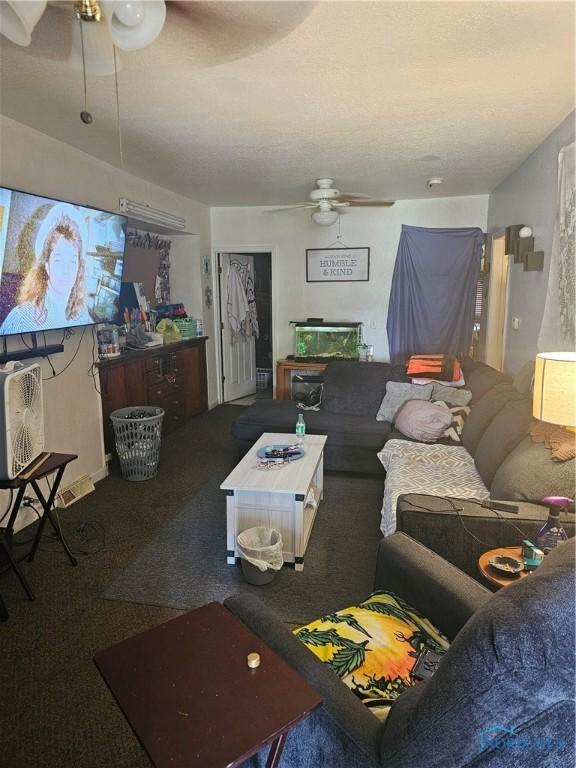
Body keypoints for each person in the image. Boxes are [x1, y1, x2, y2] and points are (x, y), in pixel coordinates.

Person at [0, 204, 92, 334]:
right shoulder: (21, 319)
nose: (66, 270)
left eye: (72, 261)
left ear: (79, 269)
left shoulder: (82, 314)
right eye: (58, 260)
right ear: (47, 266)